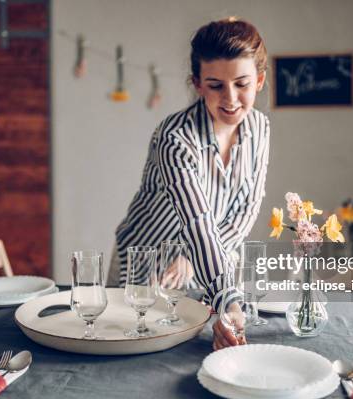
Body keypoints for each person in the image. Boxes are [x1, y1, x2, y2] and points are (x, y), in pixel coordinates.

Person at [111, 17, 270, 350]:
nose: (231, 98)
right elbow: (197, 222)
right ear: (197, 84)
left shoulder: (260, 128)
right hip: (147, 267)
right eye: (216, 85)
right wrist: (228, 298)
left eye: (242, 84)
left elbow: (245, 211)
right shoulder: (175, 138)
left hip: (209, 266)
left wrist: (192, 262)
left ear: (259, 80)